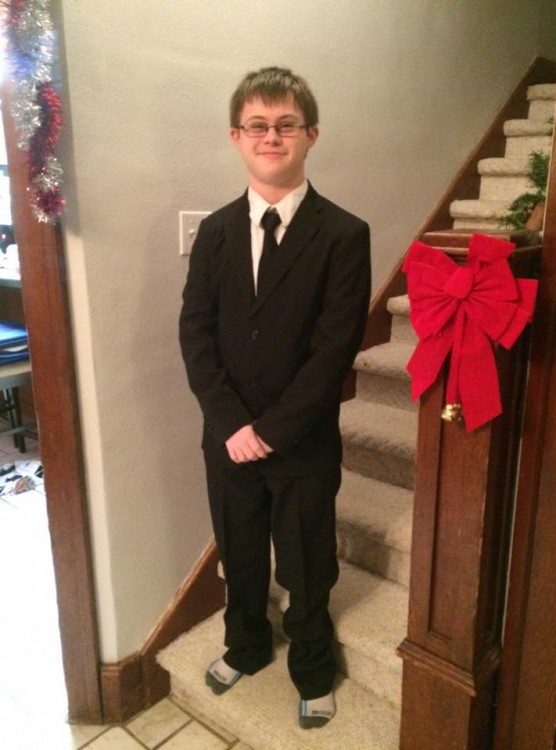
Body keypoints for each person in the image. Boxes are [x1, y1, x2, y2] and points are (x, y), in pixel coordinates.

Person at [179, 66, 371, 729]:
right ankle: (246, 645)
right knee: (238, 552)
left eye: (285, 123)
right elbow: (195, 332)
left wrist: (273, 428)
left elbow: (333, 348)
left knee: (306, 561)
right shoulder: (215, 233)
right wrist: (232, 422)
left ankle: (313, 667)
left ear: (310, 134)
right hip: (226, 440)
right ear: (236, 136)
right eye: (257, 125)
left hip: (301, 442)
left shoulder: (344, 235)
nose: (271, 135)